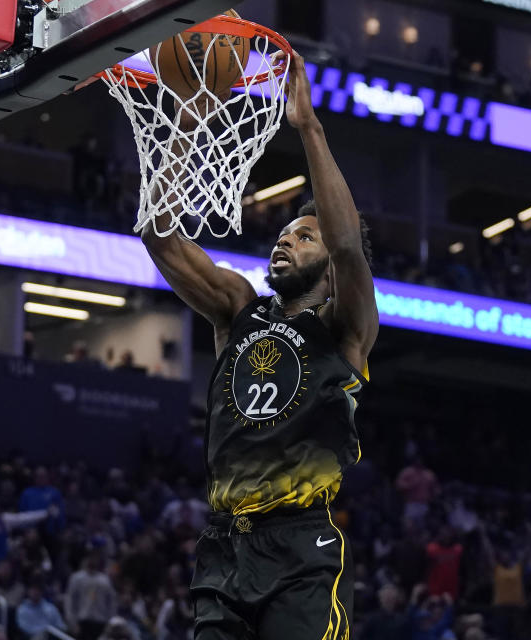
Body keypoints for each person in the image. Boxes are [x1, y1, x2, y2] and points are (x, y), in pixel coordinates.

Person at [140, 51, 378, 639]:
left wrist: (309, 128)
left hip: (302, 546)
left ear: (327, 267)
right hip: (224, 546)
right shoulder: (238, 308)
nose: (285, 241)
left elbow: (348, 246)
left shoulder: (345, 327)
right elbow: (160, 234)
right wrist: (189, 117)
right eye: (282, 234)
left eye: (303, 236)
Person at [65, 548, 118, 640]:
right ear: (86, 559)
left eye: (96, 558)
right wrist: (72, 622)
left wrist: (110, 624)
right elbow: (69, 601)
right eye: (91, 557)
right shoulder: (77, 578)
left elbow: (112, 603)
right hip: (81, 621)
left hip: (100, 622)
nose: (93, 560)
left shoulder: (105, 580)